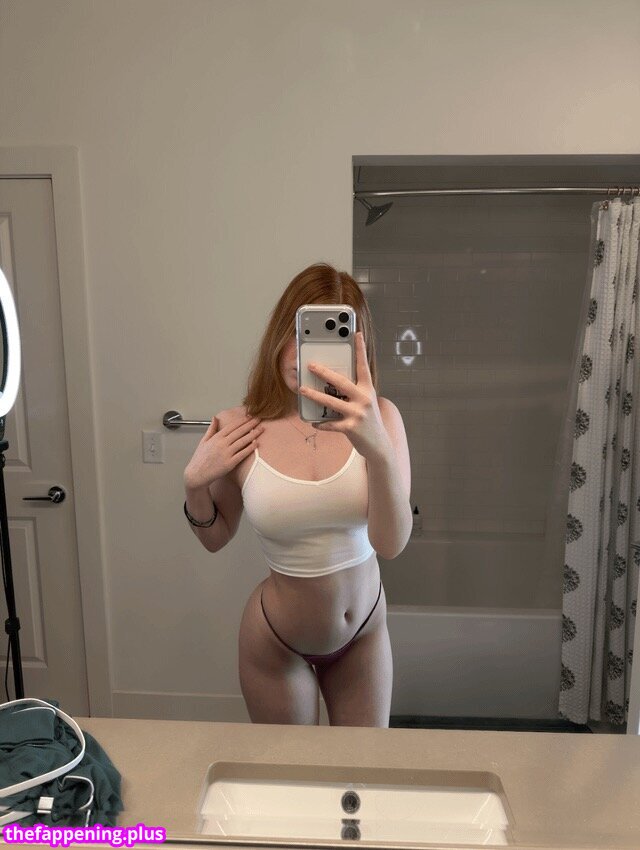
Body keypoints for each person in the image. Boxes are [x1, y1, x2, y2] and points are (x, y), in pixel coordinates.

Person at [183, 262, 412, 726]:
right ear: (277, 334)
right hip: (275, 645)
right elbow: (215, 538)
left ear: (354, 349)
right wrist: (194, 485)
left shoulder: (382, 418)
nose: (303, 354)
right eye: (298, 331)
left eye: (325, 339)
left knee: (363, 768)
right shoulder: (240, 426)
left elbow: (390, 544)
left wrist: (378, 450)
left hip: (363, 637)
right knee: (289, 771)